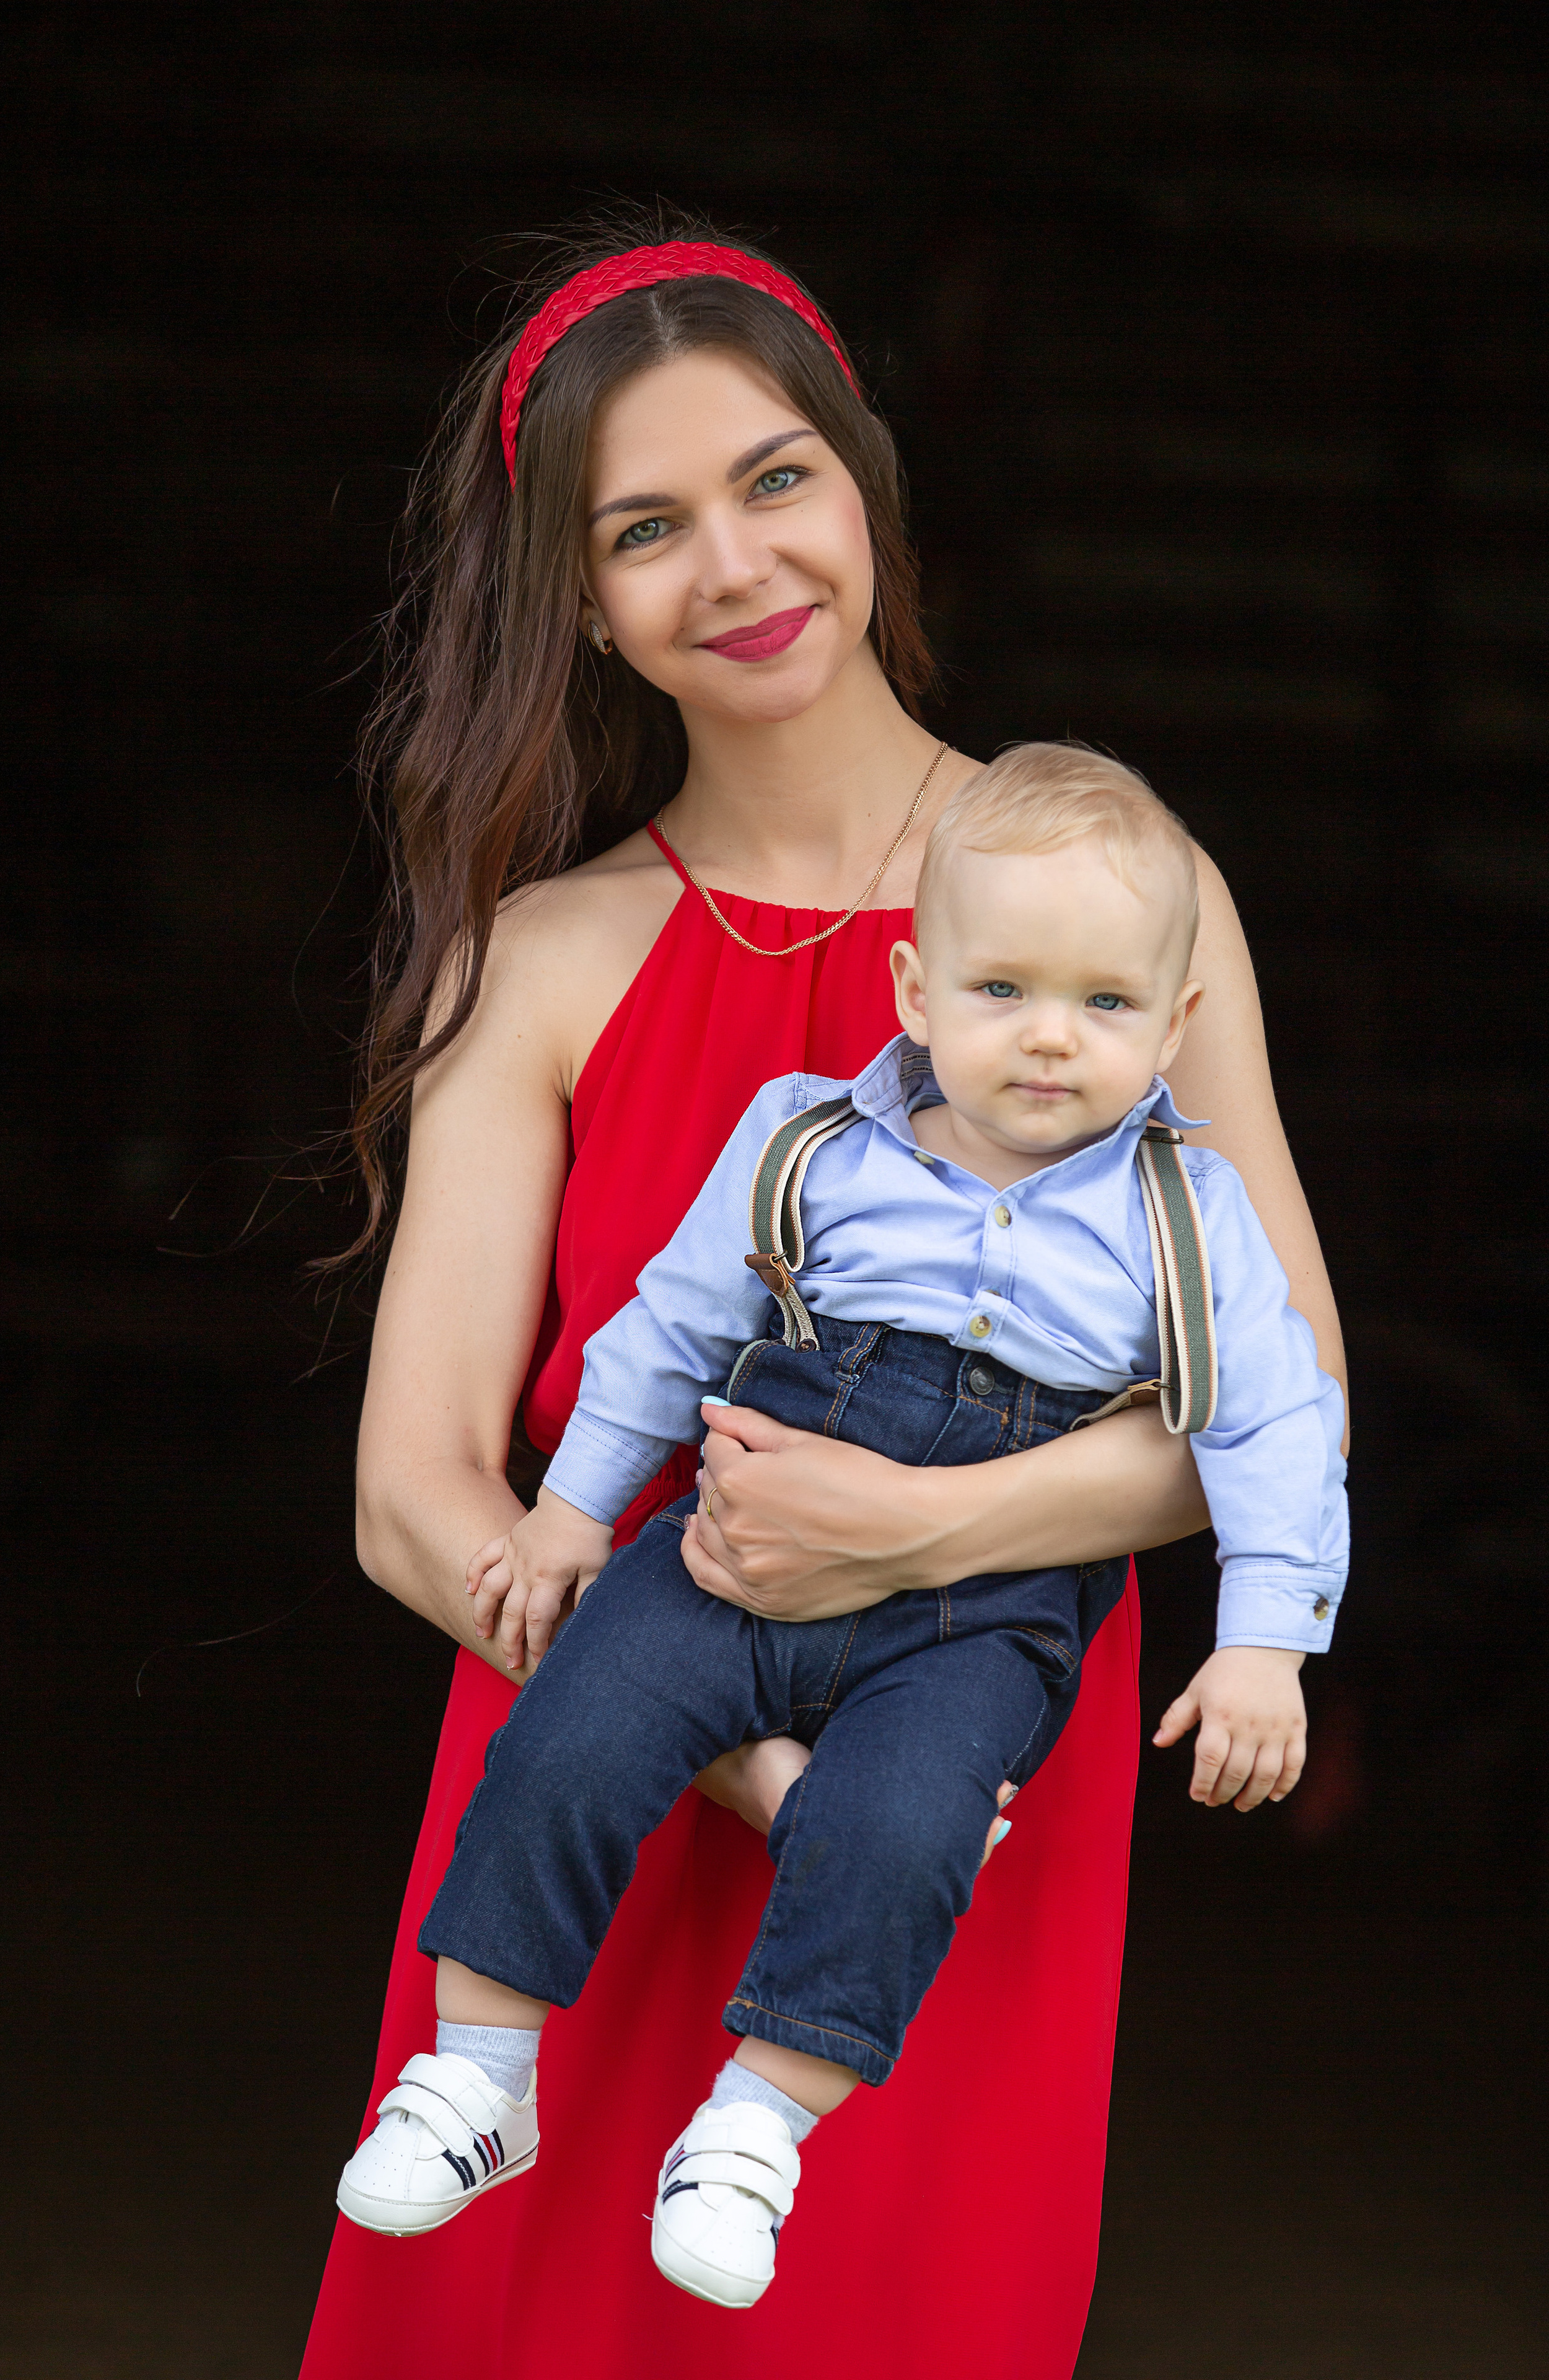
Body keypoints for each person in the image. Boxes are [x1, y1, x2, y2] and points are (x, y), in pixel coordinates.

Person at [299, 211, 1347, 2379]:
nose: (738, 563)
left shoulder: (1131, 908)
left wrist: (917, 1536)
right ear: (580, 600)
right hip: (606, 1765)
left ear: (862, 483)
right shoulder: (546, 955)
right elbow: (416, 1497)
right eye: (647, 528)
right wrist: (737, 1749)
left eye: (777, 478)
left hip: (961, 1788)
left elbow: (1278, 1393)